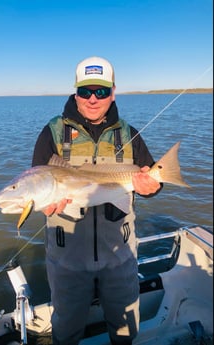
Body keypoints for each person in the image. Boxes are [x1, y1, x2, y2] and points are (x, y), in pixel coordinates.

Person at [32, 56, 162, 345]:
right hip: (67, 259)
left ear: (113, 92)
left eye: (101, 91)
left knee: (125, 329)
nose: (93, 99)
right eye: (86, 91)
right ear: (75, 91)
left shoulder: (129, 134)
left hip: (119, 256)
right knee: (65, 331)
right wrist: (42, 204)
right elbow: (39, 182)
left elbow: (152, 177)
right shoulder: (52, 133)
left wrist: (151, 186)